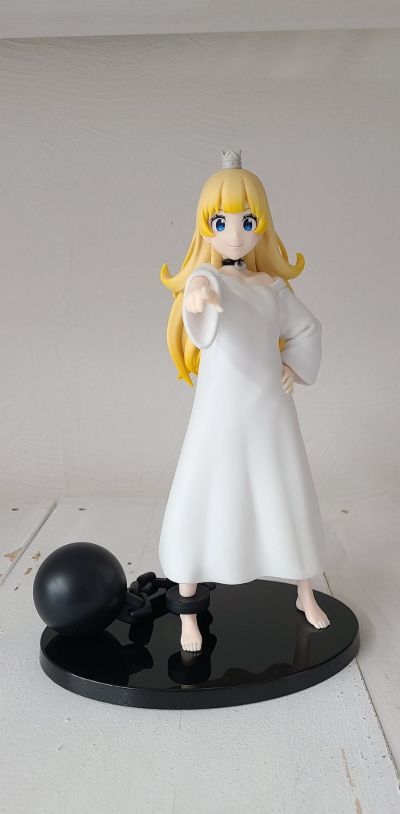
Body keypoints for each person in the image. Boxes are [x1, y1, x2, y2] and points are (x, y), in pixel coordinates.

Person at [159, 149, 329, 652]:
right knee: (205, 490)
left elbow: (307, 327)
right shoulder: (209, 278)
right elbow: (199, 294)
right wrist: (197, 299)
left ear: (262, 227)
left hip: (270, 409)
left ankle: (305, 591)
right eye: (221, 222)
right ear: (206, 228)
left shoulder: (271, 287)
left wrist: (293, 365)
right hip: (220, 413)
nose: (234, 233)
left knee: (285, 489)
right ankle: (187, 612)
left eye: (247, 221)